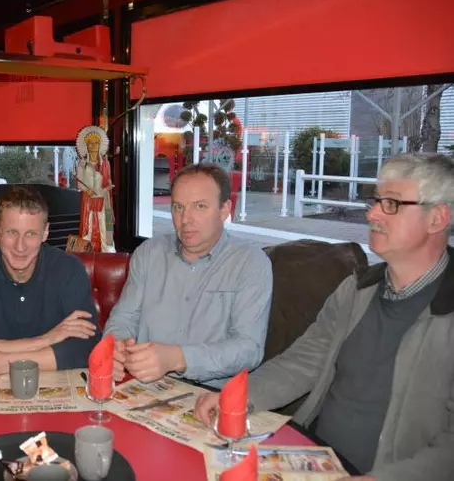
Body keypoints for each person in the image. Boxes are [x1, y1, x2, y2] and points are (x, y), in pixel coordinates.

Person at [193, 153, 454, 481]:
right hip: (317, 459)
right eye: (376, 201)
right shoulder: (356, 289)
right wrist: (238, 396)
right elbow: (302, 363)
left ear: (437, 218)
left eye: (392, 204)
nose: (373, 213)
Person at [104, 162, 272, 386]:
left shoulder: (250, 263)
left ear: (225, 210)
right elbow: (124, 318)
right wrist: (118, 346)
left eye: (200, 206)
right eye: (178, 207)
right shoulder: (149, 253)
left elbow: (249, 349)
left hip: (210, 398)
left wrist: (179, 358)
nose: (185, 219)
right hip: (141, 388)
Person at [0, 186, 101, 377]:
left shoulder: (69, 269)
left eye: (31, 234)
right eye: (12, 232)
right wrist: (46, 339)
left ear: (45, 233)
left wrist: (3, 364)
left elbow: (87, 346)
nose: (20, 246)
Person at [75, 126, 115, 252]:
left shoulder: (106, 163)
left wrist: (107, 187)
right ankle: (86, 251)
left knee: (105, 225)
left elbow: (109, 181)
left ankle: (108, 251)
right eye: (90, 143)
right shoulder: (82, 163)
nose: (93, 146)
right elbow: (79, 182)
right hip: (89, 199)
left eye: (96, 142)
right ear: (86, 145)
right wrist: (88, 191)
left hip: (104, 199)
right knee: (89, 225)